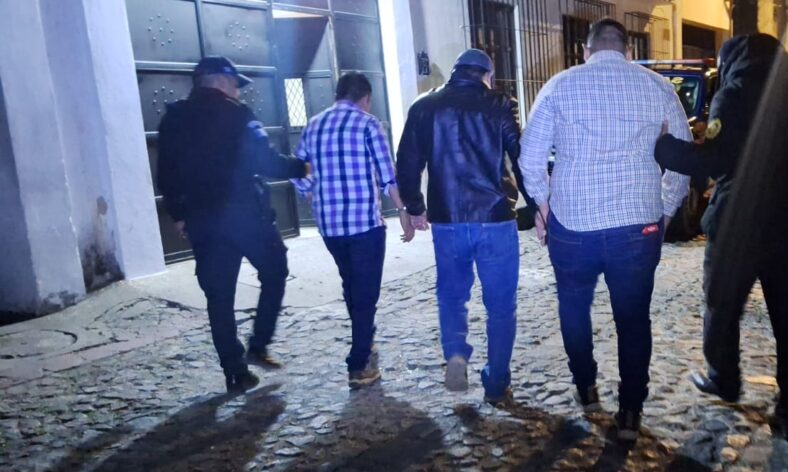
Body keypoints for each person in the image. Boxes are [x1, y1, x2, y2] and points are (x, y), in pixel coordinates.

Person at [654, 34, 788, 447]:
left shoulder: (734, 95)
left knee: (722, 306)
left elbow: (715, 160)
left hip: (739, 225)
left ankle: (725, 378)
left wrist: (665, 148)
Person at [519, 19, 692, 441]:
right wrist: (666, 210)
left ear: (586, 50)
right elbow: (683, 158)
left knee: (574, 307)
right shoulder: (658, 87)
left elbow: (529, 158)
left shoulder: (560, 85)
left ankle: (586, 387)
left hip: (573, 226)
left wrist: (543, 207)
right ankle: (630, 411)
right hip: (637, 225)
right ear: (628, 50)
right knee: (633, 319)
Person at [157, 56, 308, 394]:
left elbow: (166, 173)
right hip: (244, 216)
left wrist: (179, 214)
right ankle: (259, 343)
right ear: (221, 82)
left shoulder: (174, 118)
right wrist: (302, 168)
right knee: (275, 269)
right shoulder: (239, 116)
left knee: (219, 296)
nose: (238, 91)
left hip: (203, 221)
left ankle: (235, 370)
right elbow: (266, 162)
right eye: (235, 85)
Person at [396, 49, 536, 403]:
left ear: (456, 72)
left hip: (448, 219)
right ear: (487, 75)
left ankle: (456, 352)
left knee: (452, 295)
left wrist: (415, 207)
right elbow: (521, 158)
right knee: (501, 306)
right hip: (495, 218)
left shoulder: (424, 107)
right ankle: (497, 381)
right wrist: (536, 207)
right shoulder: (499, 104)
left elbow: (407, 162)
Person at [292, 72, 413, 388]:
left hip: (330, 226)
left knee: (351, 284)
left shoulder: (313, 125)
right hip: (364, 225)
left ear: (338, 95)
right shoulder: (369, 125)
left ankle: (365, 337)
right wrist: (402, 211)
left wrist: (312, 195)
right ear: (366, 98)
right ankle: (359, 363)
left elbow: (297, 170)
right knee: (366, 293)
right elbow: (387, 174)